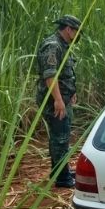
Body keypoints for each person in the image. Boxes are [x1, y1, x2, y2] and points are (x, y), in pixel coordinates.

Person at [36, 15, 81, 188]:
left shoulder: (62, 45)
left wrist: (71, 93)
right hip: (54, 101)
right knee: (60, 138)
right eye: (76, 31)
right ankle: (62, 179)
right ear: (69, 29)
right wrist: (58, 100)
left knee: (59, 137)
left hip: (63, 97)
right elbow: (50, 75)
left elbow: (65, 73)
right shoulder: (53, 46)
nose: (77, 35)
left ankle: (60, 171)